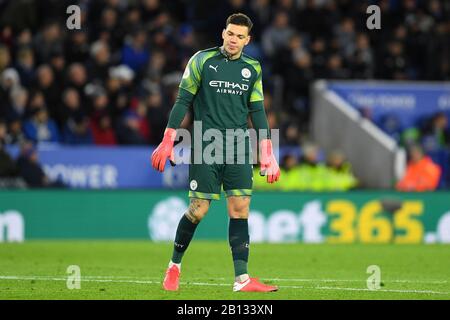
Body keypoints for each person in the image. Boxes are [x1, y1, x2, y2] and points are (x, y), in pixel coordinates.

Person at [151, 13, 280, 292]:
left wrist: (267, 150)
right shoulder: (202, 60)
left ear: (248, 40)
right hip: (206, 145)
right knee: (199, 210)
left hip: (237, 146)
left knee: (240, 208)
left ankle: (242, 279)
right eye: (230, 34)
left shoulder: (253, 68)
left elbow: (257, 110)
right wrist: (168, 139)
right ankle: (174, 266)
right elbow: (183, 99)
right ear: (223, 33)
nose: (234, 40)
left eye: (240, 36)